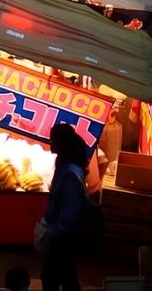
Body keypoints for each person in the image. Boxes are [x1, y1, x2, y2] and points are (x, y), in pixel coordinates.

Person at [40, 122, 89, 291]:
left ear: (61, 144)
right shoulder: (67, 167)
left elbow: (70, 210)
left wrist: (53, 234)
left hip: (64, 238)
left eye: (52, 141)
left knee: (52, 277)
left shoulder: (70, 174)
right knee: (65, 277)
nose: (50, 144)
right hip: (63, 236)